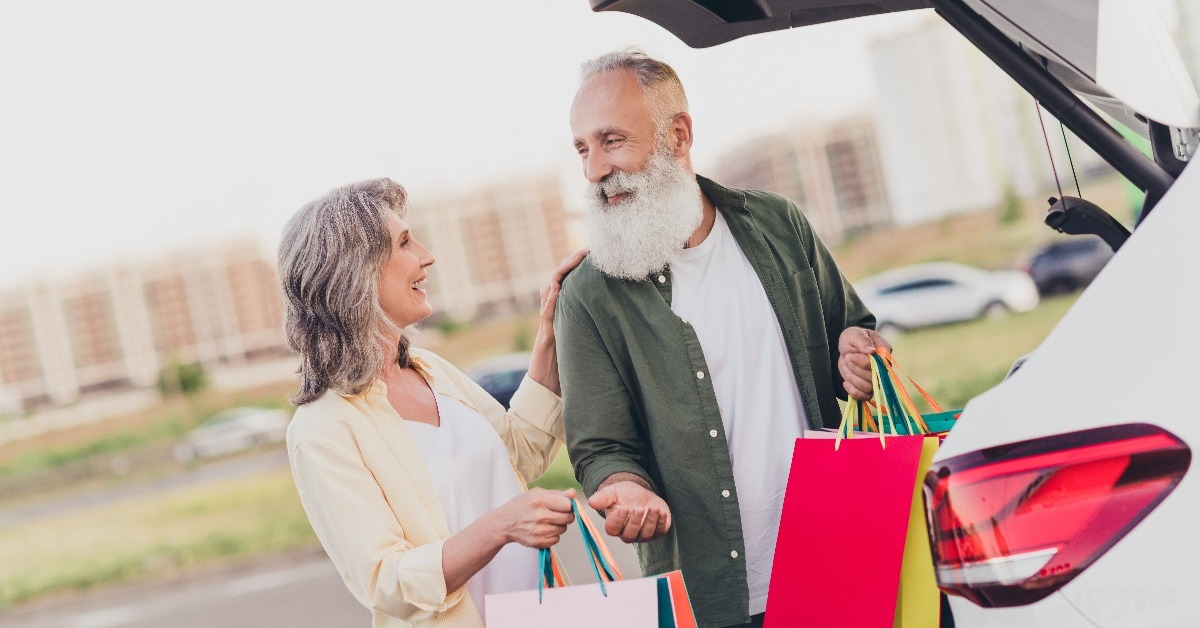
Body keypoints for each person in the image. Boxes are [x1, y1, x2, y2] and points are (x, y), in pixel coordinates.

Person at [556, 48, 890, 628]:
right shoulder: (588, 295)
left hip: (838, 559)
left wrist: (860, 356)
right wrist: (623, 486)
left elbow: (856, 331)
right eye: (583, 149)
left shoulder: (779, 224)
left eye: (612, 141)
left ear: (678, 136)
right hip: (709, 599)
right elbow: (599, 447)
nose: (593, 171)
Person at [279, 177, 587, 628]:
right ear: (356, 272)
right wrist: (502, 526)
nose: (427, 255)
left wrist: (548, 340)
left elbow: (517, 455)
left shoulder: (432, 370)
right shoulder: (322, 430)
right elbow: (387, 583)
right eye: (405, 242)